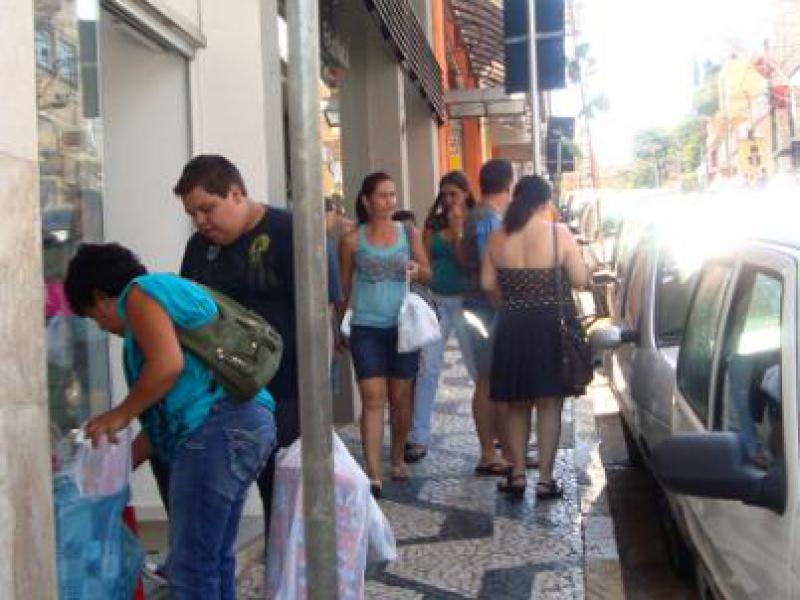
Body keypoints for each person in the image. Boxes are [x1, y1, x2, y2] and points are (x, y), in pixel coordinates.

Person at [64, 243, 275, 597]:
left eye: (94, 317)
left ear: (100, 296)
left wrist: (119, 414)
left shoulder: (140, 295)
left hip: (217, 430)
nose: (102, 327)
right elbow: (168, 415)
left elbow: (167, 365)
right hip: (244, 423)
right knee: (213, 559)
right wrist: (113, 467)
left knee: (191, 567)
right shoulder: (164, 296)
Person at [173, 154, 336, 539]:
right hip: (223, 400)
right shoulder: (199, 248)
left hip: (289, 395)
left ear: (236, 193)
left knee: (289, 503)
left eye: (207, 209)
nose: (201, 221)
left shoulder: (291, 233)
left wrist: (318, 395)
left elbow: (322, 318)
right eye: (192, 214)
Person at [482, 175, 588, 499]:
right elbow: (580, 279)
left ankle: (516, 475)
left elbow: (487, 284)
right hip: (549, 325)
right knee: (549, 403)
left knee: (517, 403)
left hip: (512, 325)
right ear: (544, 202)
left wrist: (512, 301)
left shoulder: (497, 237)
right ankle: (544, 479)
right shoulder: (558, 233)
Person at [339, 172, 431, 497]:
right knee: (373, 398)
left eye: (392, 195)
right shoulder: (351, 240)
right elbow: (343, 288)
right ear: (366, 201)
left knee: (400, 398)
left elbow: (429, 273)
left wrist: (418, 271)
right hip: (365, 327)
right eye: (382, 195)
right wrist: (340, 327)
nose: (389, 201)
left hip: (403, 327)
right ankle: (373, 472)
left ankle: (396, 456)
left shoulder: (408, 232)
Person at [404, 171, 477, 462]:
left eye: (453, 194)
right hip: (437, 301)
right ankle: (418, 436)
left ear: (466, 194)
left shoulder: (473, 222)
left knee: (477, 369)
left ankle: (496, 433)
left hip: (467, 303)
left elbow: (467, 264)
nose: (447, 200)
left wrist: (458, 232)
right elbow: (426, 263)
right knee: (428, 367)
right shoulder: (433, 224)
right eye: (444, 195)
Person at [462, 159, 515, 475]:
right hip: (485, 309)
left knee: (492, 379)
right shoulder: (487, 220)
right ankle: (490, 453)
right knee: (488, 380)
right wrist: (503, 309)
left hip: (479, 306)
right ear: (508, 183)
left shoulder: (479, 215)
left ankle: (506, 450)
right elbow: (489, 273)